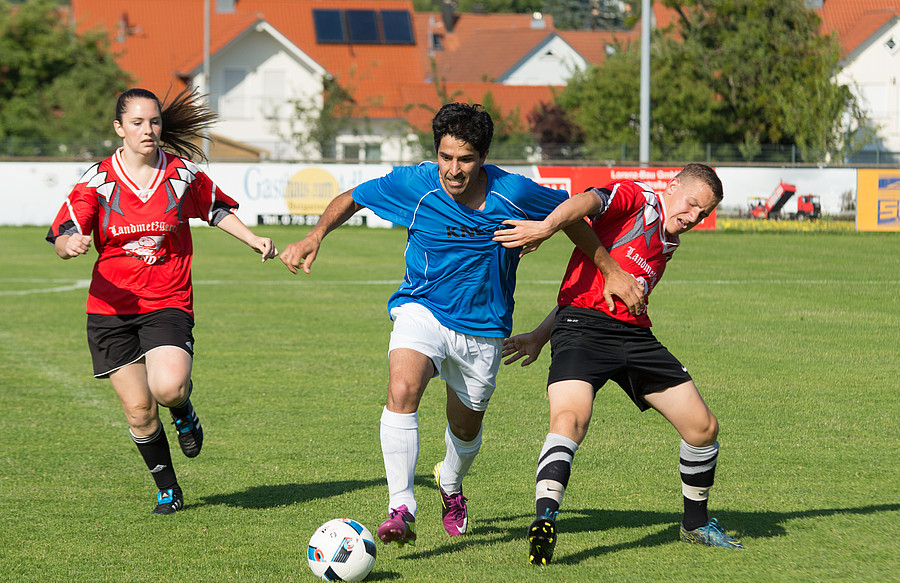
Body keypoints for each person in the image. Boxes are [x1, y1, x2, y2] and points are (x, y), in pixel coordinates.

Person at [280, 102, 635, 546]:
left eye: (465, 159)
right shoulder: (415, 184)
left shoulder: (514, 192)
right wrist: (315, 235)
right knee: (402, 388)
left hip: (483, 329)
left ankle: (450, 484)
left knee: (465, 428)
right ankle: (401, 508)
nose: (453, 169)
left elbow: (572, 217)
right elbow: (353, 196)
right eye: (445, 157)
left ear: (483, 157)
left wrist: (599, 262)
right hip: (422, 309)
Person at [495, 163, 744, 565]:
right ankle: (544, 521)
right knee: (570, 419)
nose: (694, 216)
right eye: (692, 204)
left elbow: (605, 289)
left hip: (635, 338)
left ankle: (695, 525)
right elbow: (582, 204)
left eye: (703, 213)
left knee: (703, 428)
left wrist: (538, 335)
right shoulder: (638, 198)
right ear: (672, 186)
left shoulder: (668, 242)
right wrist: (545, 227)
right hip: (581, 330)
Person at [46, 87, 278, 515]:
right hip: (110, 309)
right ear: (119, 128)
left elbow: (215, 209)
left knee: (168, 387)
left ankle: (182, 407)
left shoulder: (181, 173)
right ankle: (168, 488)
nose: (148, 130)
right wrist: (69, 245)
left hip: (166, 300)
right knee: (139, 411)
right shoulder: (97, 181)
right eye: (137, 123)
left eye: (153, 121)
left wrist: (251, 238)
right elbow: (64, 232)